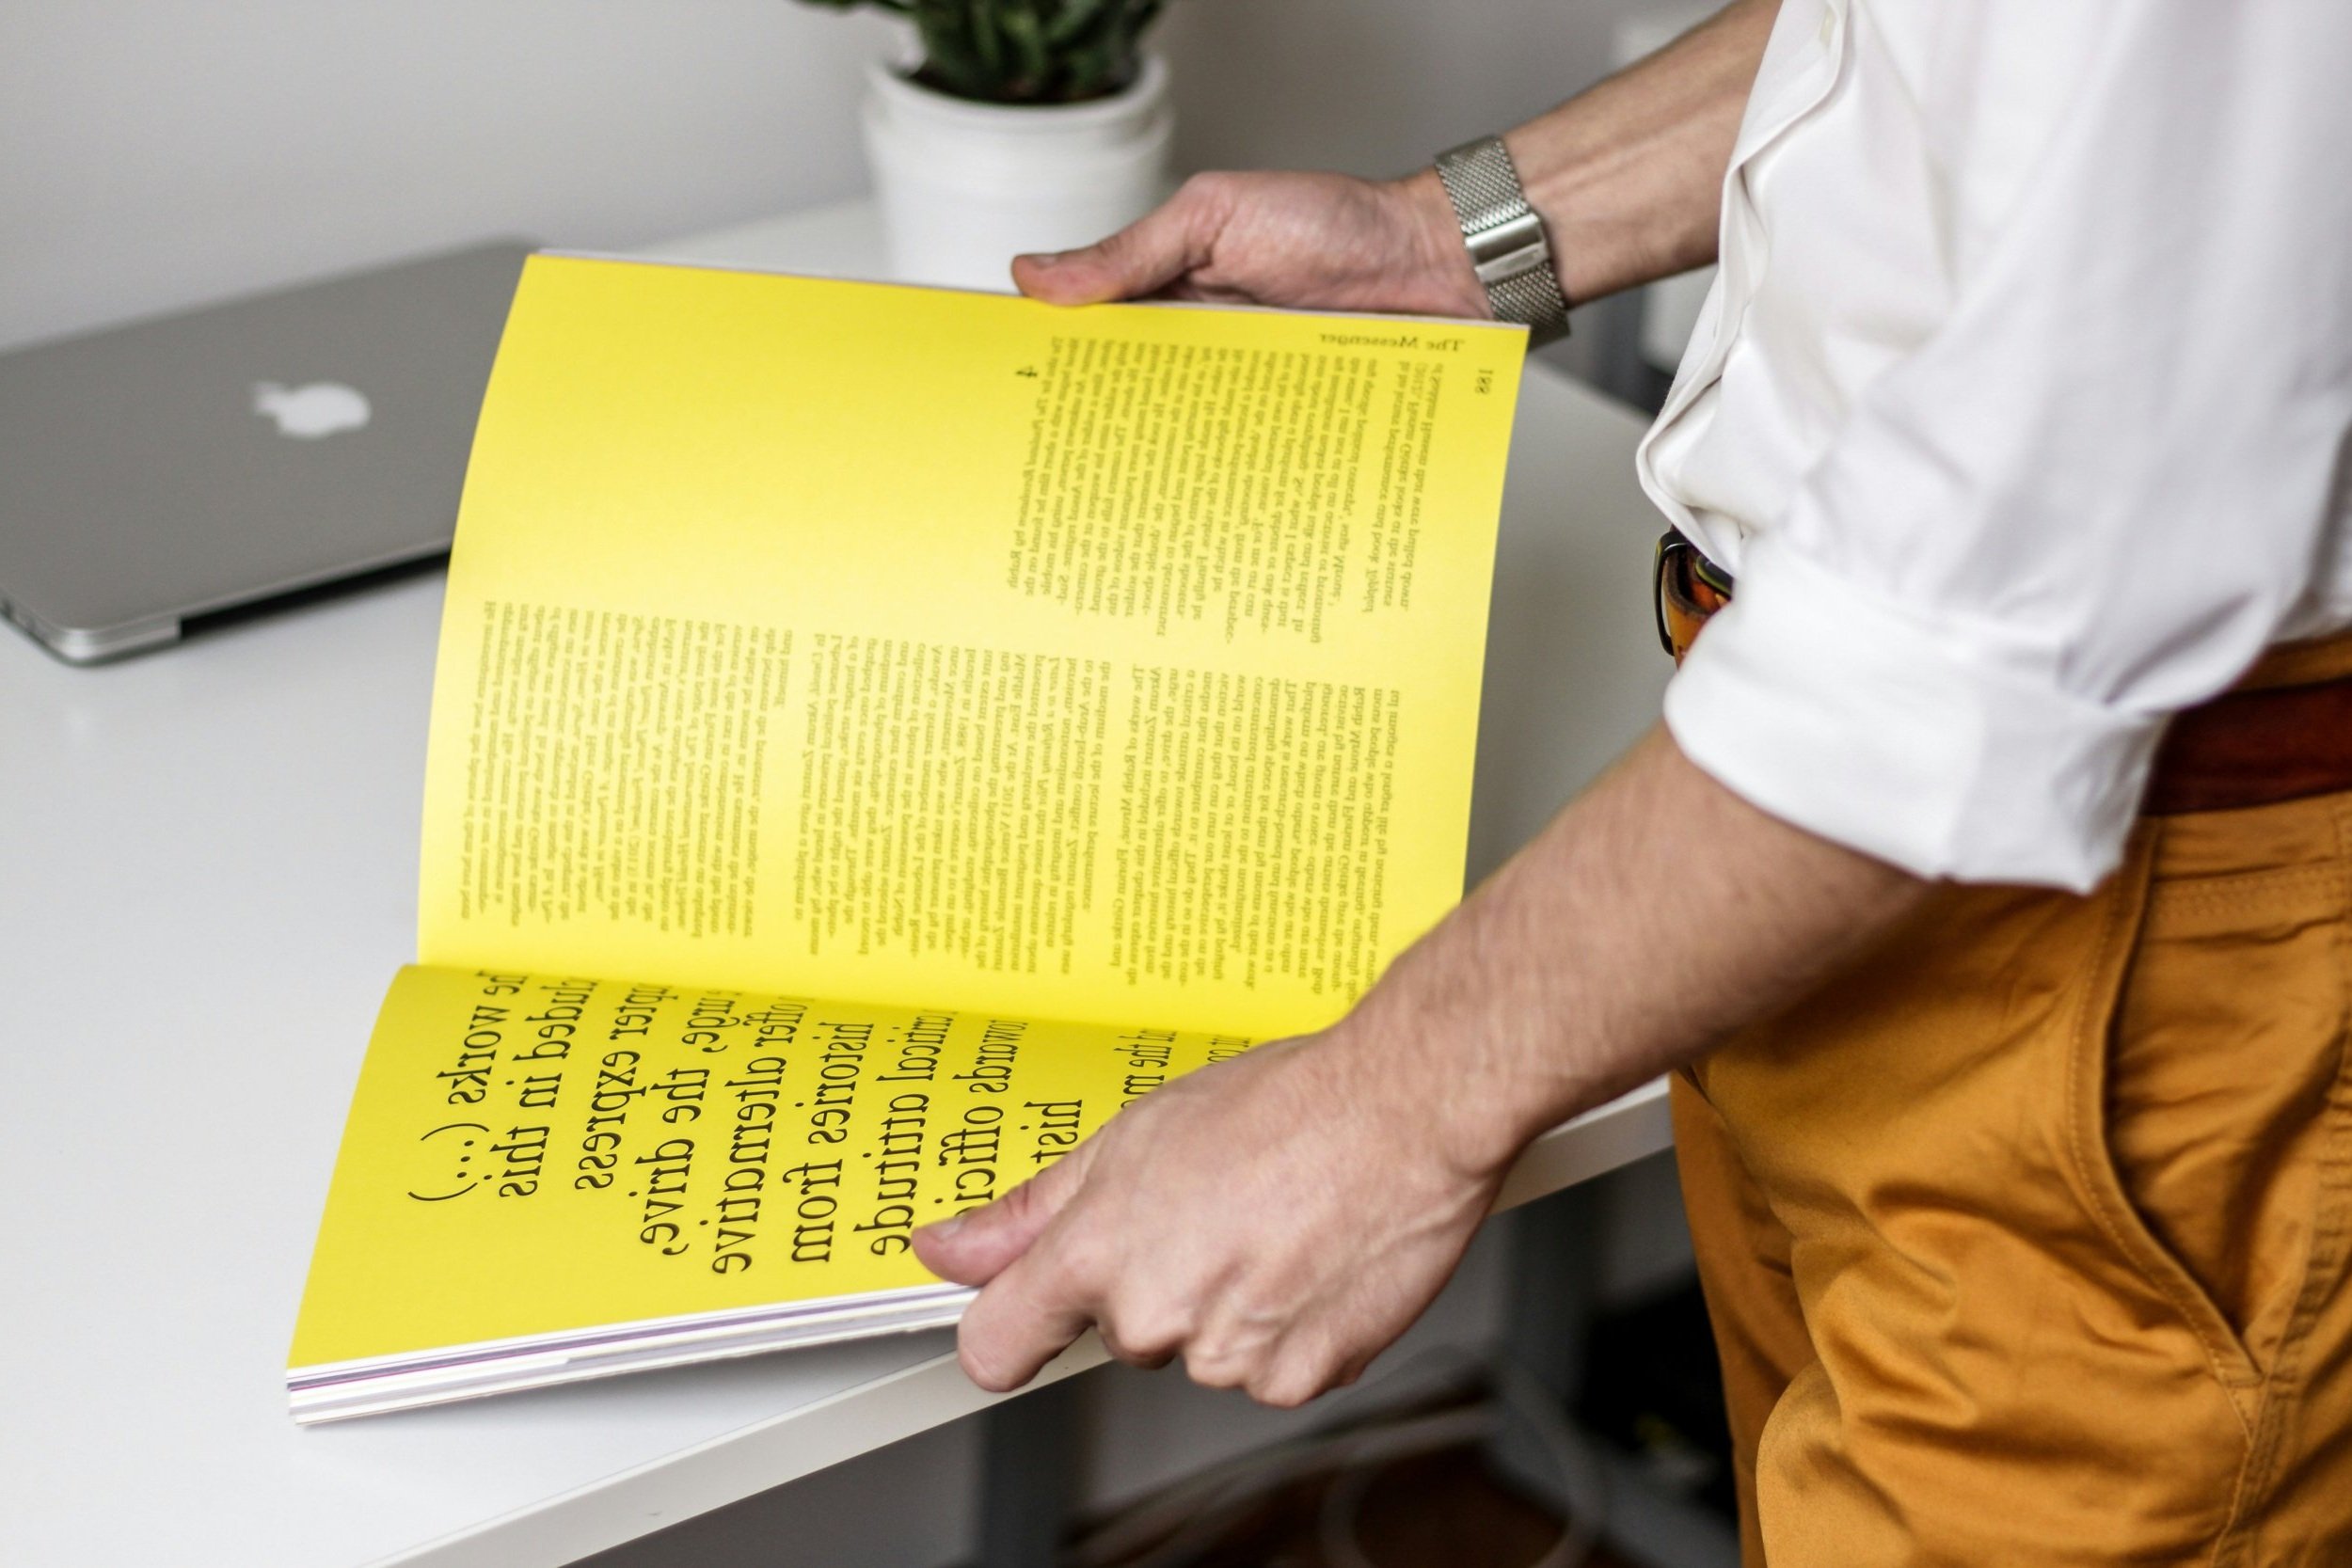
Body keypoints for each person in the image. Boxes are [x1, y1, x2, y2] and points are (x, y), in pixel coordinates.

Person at [911, 2, 2352, 1560]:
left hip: (2115, 921)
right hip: (1780, 838)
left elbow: (1987, 628)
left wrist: (1386, 1101)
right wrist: (1441, 242)